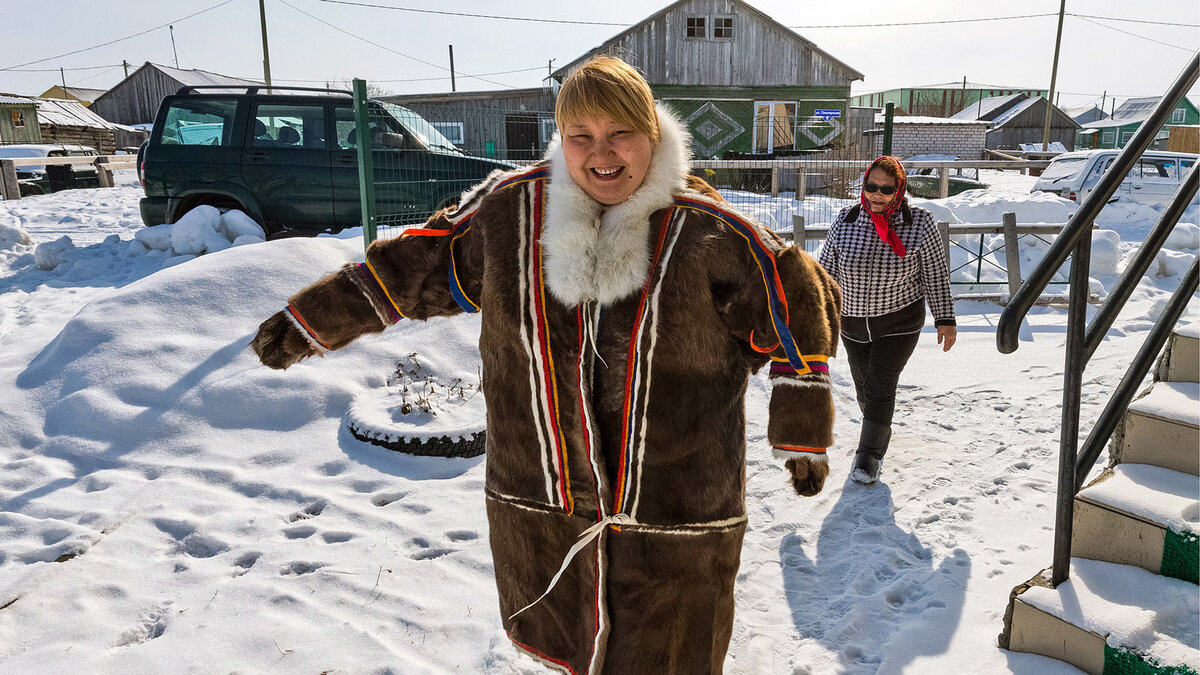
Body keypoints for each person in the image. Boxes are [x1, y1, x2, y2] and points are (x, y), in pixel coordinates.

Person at [251, 56, 840, 674]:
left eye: (621, 134)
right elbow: (417, 267)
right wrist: (313, 320)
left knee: (670, 655)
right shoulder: (512, 215)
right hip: (545, 502)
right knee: (571, 646)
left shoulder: (710, 229)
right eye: (581, 136)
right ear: (561, 139)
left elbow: (796, 297)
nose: (601, 153)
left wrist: (802, 430)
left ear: (653, 135)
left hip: (676, 513)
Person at [818, 156, 956, 486]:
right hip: (852, 323)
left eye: (886, 189)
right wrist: (818, 312)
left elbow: (935, 275)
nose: (877, 195)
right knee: (865, 389)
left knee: (881, 385)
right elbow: (826, 271)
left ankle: (869, 457)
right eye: (871, 187)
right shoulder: (847, 219)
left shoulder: (920, 223)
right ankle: (877, 429)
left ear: (899, 191)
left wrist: (945, 318)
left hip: (899, 322)